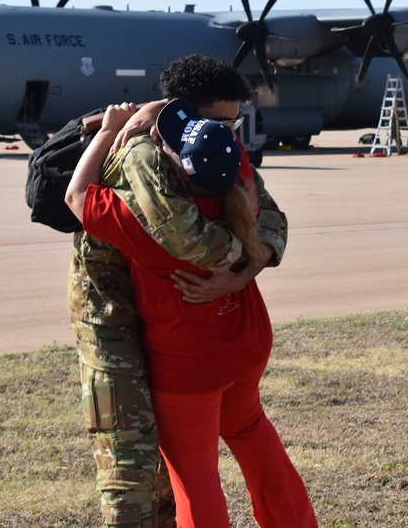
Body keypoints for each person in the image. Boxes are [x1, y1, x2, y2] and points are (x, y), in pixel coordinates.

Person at [68, 99, 316, 527]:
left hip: (191, 367)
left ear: (178, 170)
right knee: (252, 434)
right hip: (246, 343)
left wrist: (109, 130)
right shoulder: (243, 192)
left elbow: (76, 196)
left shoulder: (152, 225)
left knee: (196, 478)